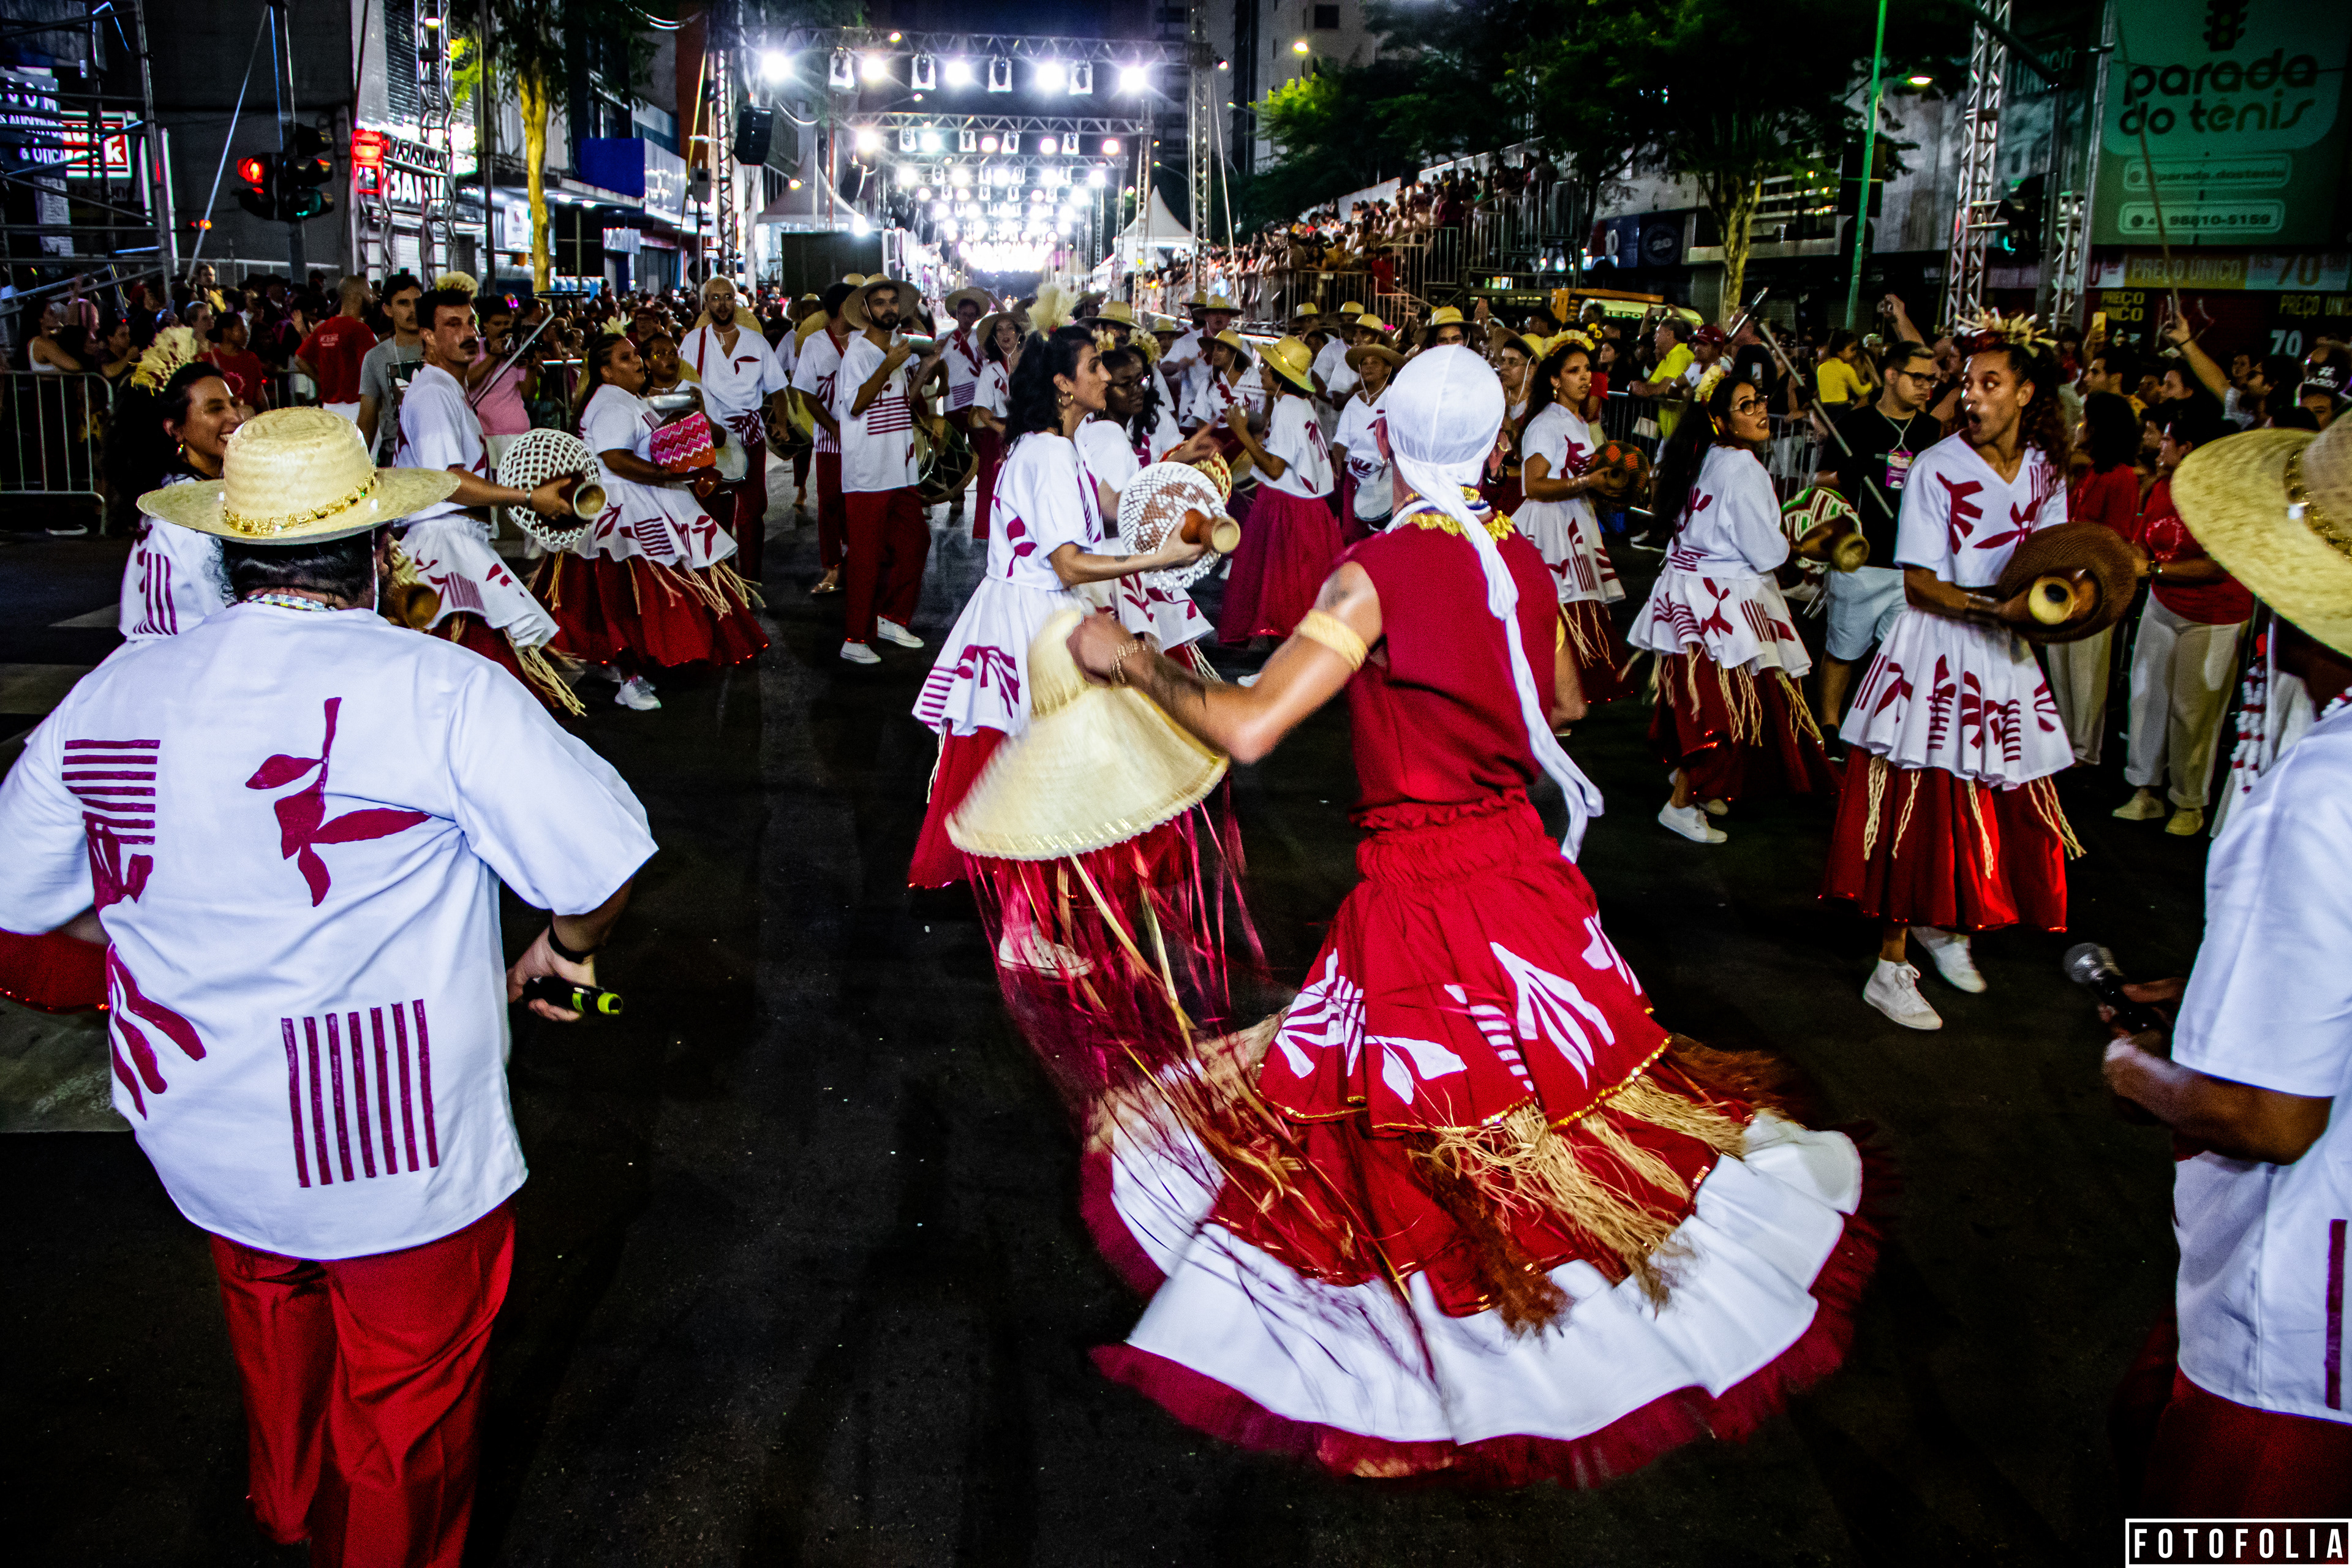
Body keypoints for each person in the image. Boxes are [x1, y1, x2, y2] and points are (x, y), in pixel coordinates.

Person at [1052, 344, 1877, 1485]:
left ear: (1387, 439)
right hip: (1523, 876)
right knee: (1541, 1101)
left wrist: (1130, 658)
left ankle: (1452, 1346)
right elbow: (1563, 704)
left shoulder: (1374, 574)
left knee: (1417, 1120)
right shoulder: (1519, 558)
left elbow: (1248, 725)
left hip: (1421, 893)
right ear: (1494, 447)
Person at [0, 409, 654, 1566]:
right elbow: (595, 867)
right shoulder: (436, 688)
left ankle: (288, 1503)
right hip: (386, 1133)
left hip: (201, 1107)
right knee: (407, 1401)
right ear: (378, 551)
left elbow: (20, 898)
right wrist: (565, 946)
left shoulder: (117, 692)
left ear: (227, 551)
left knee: (269, 1308)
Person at [2104, 410, 2352, 1518]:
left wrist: (2137, 1072)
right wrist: (2219, 988)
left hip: (2305, 1314)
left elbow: (2271, 1114)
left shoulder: (2324, 791)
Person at [1822, 317, 2077, 1032]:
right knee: (1921, 805)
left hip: (2003, 656)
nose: (1972, 395)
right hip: (1936, 652)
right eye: (1967, 382)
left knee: (1986, 800)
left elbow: (2059, 561)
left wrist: (2071, 597)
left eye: (1990, 383)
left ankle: (1948, 925)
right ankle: (1889, 965)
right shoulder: (1936, 466)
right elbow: (1920, 584)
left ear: (2026, 393)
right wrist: (1998, 609)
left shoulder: (2047, 471)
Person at [908, 325, 1207, 887]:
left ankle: (1033, 896)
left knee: (1036, 764)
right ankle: (1035, 904)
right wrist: (1159, 558)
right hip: (1036, 621)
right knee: (1049, 764)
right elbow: (1069, 564)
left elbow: (1113, 506)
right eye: (1095, 366)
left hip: (1029, 612)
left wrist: (1176, 470)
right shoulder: (1049, 453)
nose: (1107, 375)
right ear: (1063, 386)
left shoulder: (1054, 446)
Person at [1627, 368, 1833, 842]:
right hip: (1723, 604)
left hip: (1685, 593)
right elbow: (1765, 551)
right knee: (1726, 711)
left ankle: (1700, 785)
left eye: (1759, 401)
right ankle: (1682, 802)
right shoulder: (1742, 466)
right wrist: (1795, 549)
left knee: (1703, 703)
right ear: (1720, 420)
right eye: (1746, 406)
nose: (1761, 411)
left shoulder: (1701, 456)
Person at [531, 332, 767, 707]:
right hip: (624, 509)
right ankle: (629, 679)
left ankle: (628, 669)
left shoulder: (625, 399)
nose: (638, 362)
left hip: (637, 502)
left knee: (636, 595)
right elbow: (615, 458)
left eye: (635, 355)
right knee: (628, 597)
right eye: (625, 358)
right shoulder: (612, 403)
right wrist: (668, 476)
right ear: (606, 372)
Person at [390, 288, 582, 715]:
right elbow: (448, 482)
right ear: (427, 336)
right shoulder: (434, 394)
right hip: (444, 543)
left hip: (457, 539)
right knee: (482, 678)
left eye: (471, 323)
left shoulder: (445, 388)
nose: (468, 333)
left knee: (478, 679)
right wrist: (528, 497)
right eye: (452, 325)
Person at [2113, 399, 2250, 837]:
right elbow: (2144, 543)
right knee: (2147, 696)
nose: (2159, 445)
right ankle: (2146, 790)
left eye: (2168, 439)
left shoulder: (2224, 497)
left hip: (2214, 615)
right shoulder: (2163, 487)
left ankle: (2188, 802)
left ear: (2188, 446)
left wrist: (2152, 570)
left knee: (2194, 711)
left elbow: (2216, 567)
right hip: (2163, 604)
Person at [1815, 341, 1942, 730]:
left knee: (1900, 658)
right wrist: (1845, 476)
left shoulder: (1932, 431)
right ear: (1891, 375)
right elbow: (1819, 479)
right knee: (1843, 651)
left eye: (1931, 380)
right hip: (1859, 560)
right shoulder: (1856, 424)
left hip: (1909, 564)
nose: (1925, 387)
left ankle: (1884, 730)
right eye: (1917, 378)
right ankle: (1829, 727)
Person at [832, 277, 941, 666]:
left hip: (900, 469)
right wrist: (889, 365)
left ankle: (892, 617)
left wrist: (924, 369)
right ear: (865, 311)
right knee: (866, 557)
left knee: (916, 542)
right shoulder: (857, 353)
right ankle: (854, 638)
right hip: (867, 474)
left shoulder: (897, 348)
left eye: (893, 301)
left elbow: (901, 403)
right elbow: (856, 404)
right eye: (879, 303)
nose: (888, 308)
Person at [1517, 337, 1632, 704]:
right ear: (1555, 380)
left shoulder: (1579, 422)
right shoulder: (1546, 424)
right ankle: (1554, 701)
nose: (1585, 378)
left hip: (1576, 523)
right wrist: (1587, 483)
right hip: (1550, 528)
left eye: (1587, 370)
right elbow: (1533, 484)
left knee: (1576, 605)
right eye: (1573, 371)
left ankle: (1564, 701)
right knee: (1559, 608)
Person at [106, 334, 243, 640]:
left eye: (234, 404)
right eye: (215, 409)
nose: (235, 417)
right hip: (181, 653)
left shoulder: (180, 488)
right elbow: (226, 613)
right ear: (176, 429)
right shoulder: (189, 510)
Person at [1216, 337, 1340, 646]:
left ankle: (1281, 663)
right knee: (1297, 594)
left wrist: (1241, 433)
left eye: (1267, 368)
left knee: (1281, 597)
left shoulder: (1289, 408)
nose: (1261, 371)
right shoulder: (1299, 405)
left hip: (1289, 509)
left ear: (1278, 375)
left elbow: (1274, 468)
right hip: (1308, 508)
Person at [2045, 391, 2144, 764]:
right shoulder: (2092, 472)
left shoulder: (2121, 477)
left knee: (2086, 669)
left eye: (2085, 420)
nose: (2078, 427)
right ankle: (2067, 740)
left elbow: (2114, 537)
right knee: (2062, 661)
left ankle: (2086, 749)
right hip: (2068, 577)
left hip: (2094, 584)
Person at [678, 276, 793, 585]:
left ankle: (751, 581)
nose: (722, 304)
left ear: (736, 301)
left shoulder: (756, 342)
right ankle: (724, 584)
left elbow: (778, 389)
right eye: (715, 298)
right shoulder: (693, 342)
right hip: (709, 440)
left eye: (728, 297)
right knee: (715, 513)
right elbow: (684, 391)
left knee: (753, 511)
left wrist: (781, 422)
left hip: (750, 437)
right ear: (706, 304)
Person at [789, 281, 855, 595]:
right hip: (830, 440)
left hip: (865, 436)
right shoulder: (815, 343)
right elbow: (807, 392)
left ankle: (860, 557)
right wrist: (833, 428)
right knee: (830, 502)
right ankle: (833, 566)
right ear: (844, 308)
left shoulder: (866, 340)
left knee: (860, 501)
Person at [1332, 324, 1399, 540]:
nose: (1368, 367)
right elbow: (1341, 441)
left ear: (1387, 369)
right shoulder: (1354, 402)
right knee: (1351, 536)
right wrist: (1337, 462)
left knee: (1382, 539)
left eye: (1375, 363)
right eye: (1364, 363)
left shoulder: (1395, 398)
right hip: (1354, 478)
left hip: (1386, 480)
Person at [937, 286, 993, 521]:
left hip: (979, 402)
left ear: (977, 317)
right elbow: (933, 368)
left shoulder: (983, 337)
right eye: (964, 314)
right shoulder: (944, 339)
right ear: (956, 315)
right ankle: (957, 498)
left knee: (983, 451)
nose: (968, 319)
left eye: (972, 315)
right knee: (955, 453)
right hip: (953, 404)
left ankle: (986, 495)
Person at [357, 273, 425, 461]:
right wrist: (358, 463)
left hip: (438, 450)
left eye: (417, 302)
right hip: (394, 453)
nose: (412, 310)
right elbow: (367, 419)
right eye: (403, 303)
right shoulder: (375, 357)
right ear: (388, 309)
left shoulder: (442, 349)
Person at [967, 310, 1020, 541]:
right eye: (1000, 330)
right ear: (995, 338)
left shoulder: (1029, 365)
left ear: (1019, 333)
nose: (1006, 334)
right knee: (994, 484)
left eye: (1010, 328)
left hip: (1025, 432)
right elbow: (983, 411)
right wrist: (1004, 431)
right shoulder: (990, 371)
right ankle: (994, 535)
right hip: (998, 436)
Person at [1815, 331, 1872, 412]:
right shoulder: (1846, 368)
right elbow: (1860, 391)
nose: (1855, 353)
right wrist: (1871, 385)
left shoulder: (1821, 368)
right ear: (1839, 351)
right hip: (1842, 409)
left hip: (1825, 410)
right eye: (1852, 349)